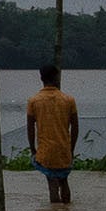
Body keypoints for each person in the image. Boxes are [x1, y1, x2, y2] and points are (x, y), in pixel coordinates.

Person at [28, 63, 81, 202]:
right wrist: (71, 148)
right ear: (56, 78)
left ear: (41, 78)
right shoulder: (68, 100)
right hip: (64, 149)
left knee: (52, 184)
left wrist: (33, 149)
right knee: (64, 181)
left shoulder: (34, 101)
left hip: (46, 151)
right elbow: (75, 127)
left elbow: (30, 128)